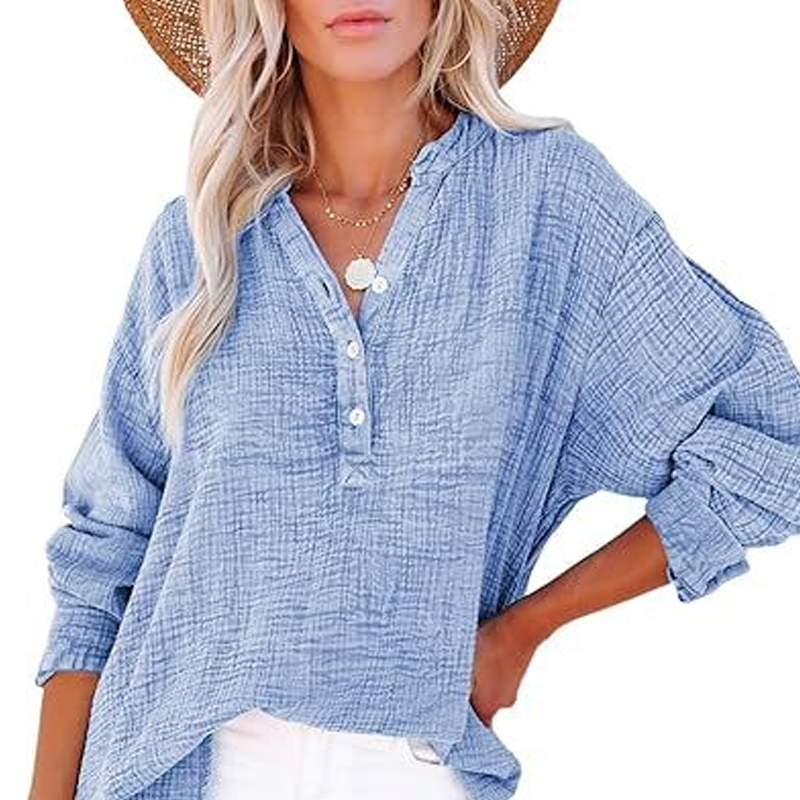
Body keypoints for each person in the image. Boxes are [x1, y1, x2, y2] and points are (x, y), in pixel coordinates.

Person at [28, 1, 800, 799]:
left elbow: (775, 444)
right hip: (179, 768)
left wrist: (522, 631)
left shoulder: (548, 203)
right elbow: (102, 561)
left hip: (415, 770)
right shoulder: (203, 240)